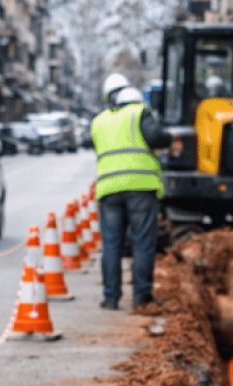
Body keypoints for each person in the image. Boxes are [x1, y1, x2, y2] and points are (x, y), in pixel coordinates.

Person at [90, 74, 178, 310]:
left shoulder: (99, 121)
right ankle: (141, 297)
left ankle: (111, 298)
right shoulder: (140, 113)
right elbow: (155, 137)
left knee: (111, 245)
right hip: (140, 186)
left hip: (109, 189)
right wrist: (170, 137)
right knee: (142, 243)